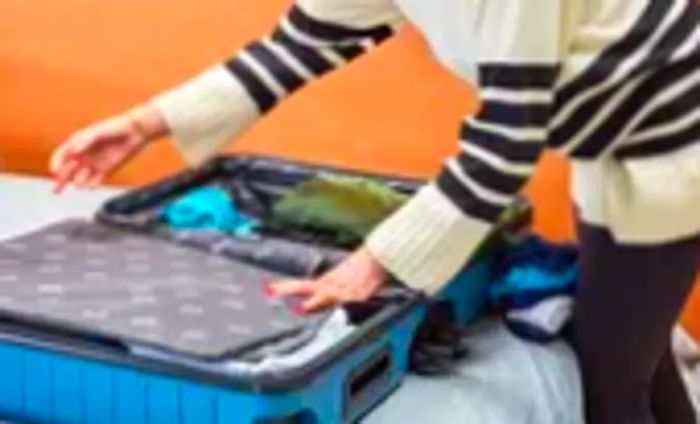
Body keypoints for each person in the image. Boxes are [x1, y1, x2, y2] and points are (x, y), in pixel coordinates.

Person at [51, 0, 699, 422]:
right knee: (638, 352)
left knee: (610, 379)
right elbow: (296, 47)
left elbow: (505, 142)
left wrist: (375, 262)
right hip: (622, 146)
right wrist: (143, 124)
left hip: (672, 143)